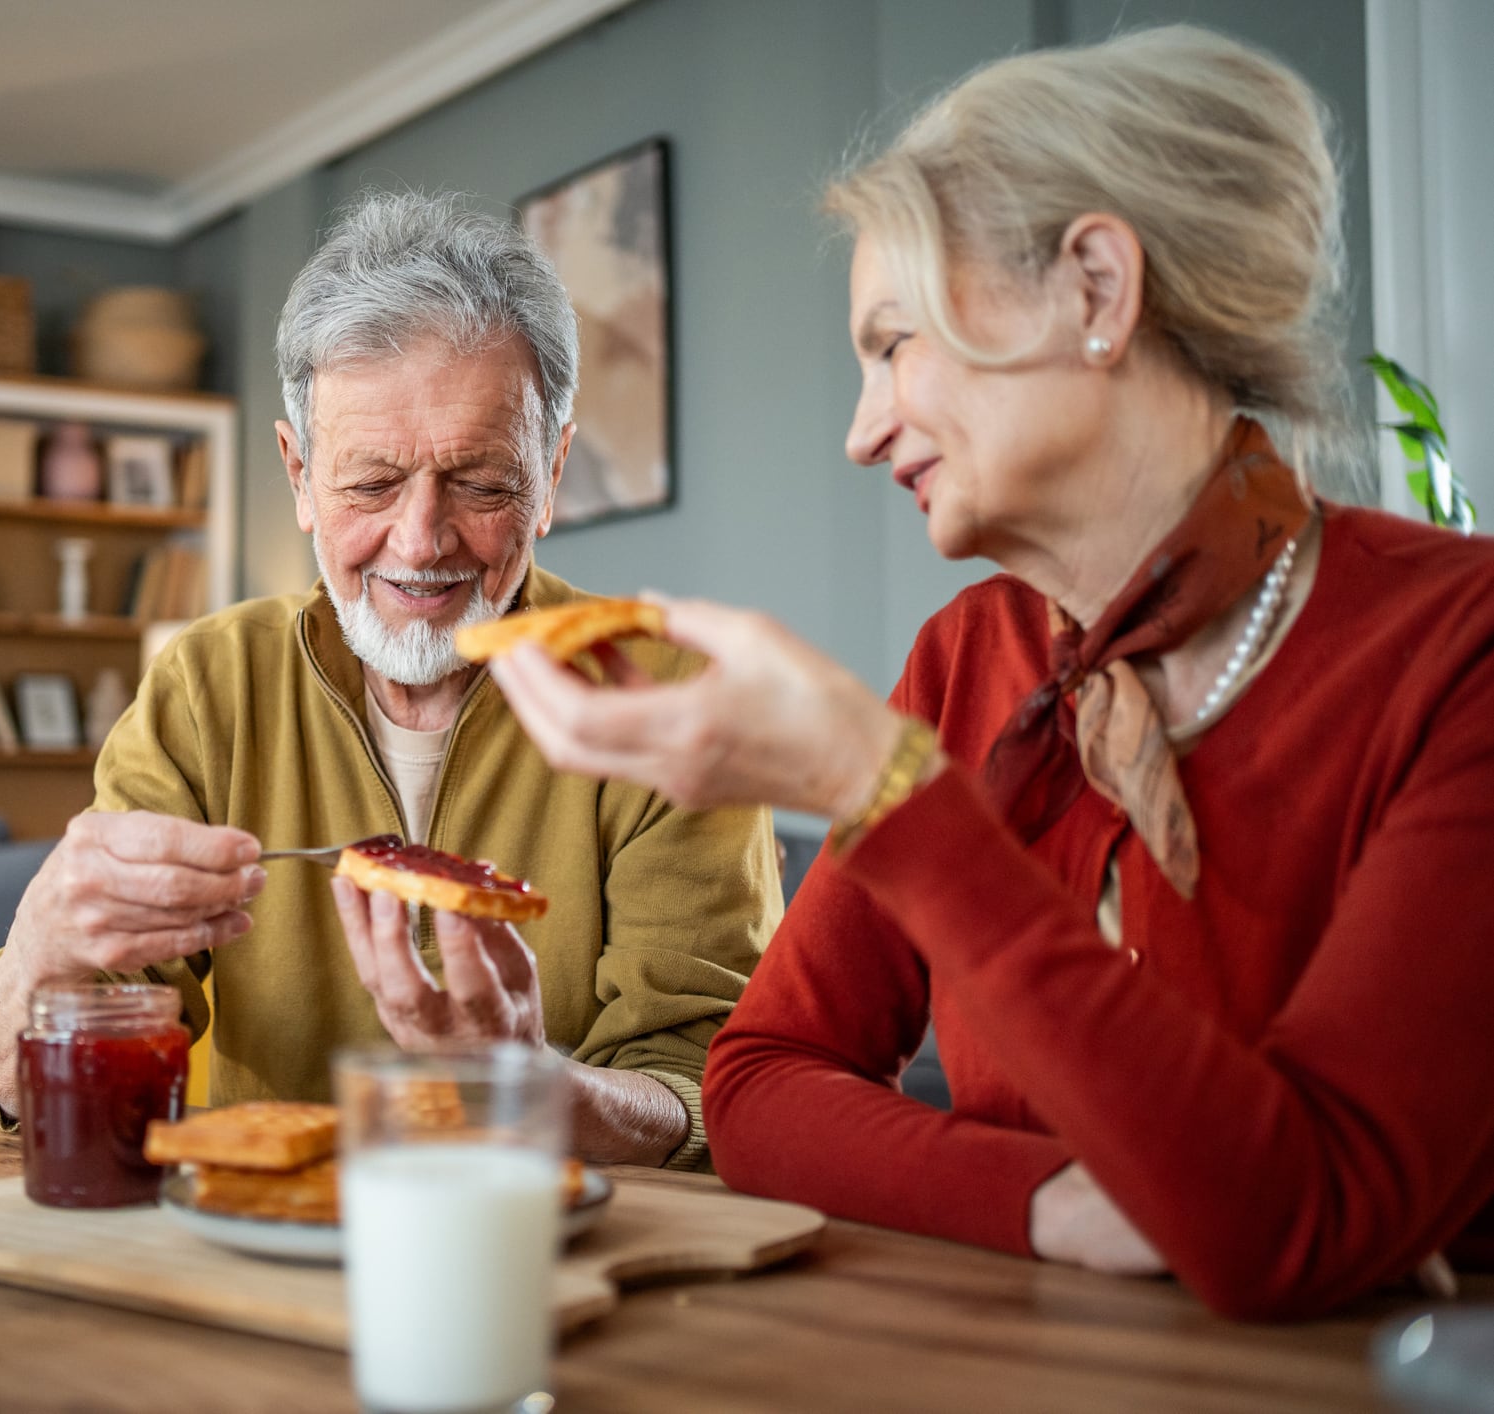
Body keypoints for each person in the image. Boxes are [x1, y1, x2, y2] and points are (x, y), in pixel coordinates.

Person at [488, 25, 1494, 1318]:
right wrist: (1044, 1202)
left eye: (894, 342)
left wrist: (882, 783)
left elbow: (1292, 1216)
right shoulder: (973, 656)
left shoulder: (1458, 647)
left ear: (1093, 286)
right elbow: (758, 1085)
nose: (860, 432)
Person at [0, 192, 780, 1169]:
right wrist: (36, 954)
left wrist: (523, 1085)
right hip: (241, 1244)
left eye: (481, 481)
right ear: (298, 474)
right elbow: (47, 1084)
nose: (420, 542)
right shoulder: (205, 687)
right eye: (369, 484)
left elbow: (715, 1096)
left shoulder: (671, 701)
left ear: (554, 471)